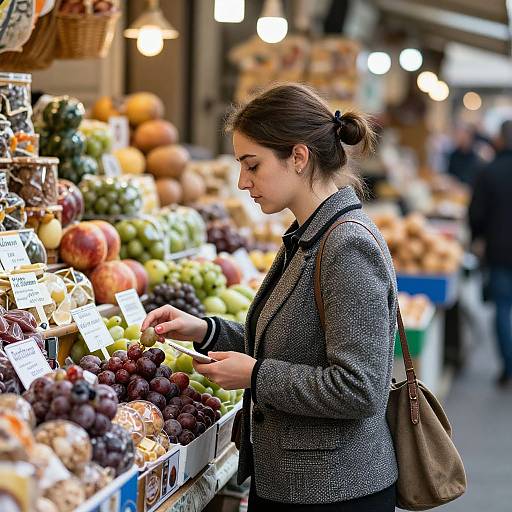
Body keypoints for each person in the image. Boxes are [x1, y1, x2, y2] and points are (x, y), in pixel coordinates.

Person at [142, 84, 398, 511]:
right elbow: (292, 344)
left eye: (252, 165)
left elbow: (361, 388)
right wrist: (204, 330)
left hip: (335, 493)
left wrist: (256, 376)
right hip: (296, 485)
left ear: (298, 157)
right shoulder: (307, 234)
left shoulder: (346, 244)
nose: (243, 183)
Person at [469, 120, 512, 388]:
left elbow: (476, 214)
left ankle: (508, 365)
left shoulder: (490, 171)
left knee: (502, 309)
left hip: (499, 251)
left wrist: (478, 238)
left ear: (499, 140)